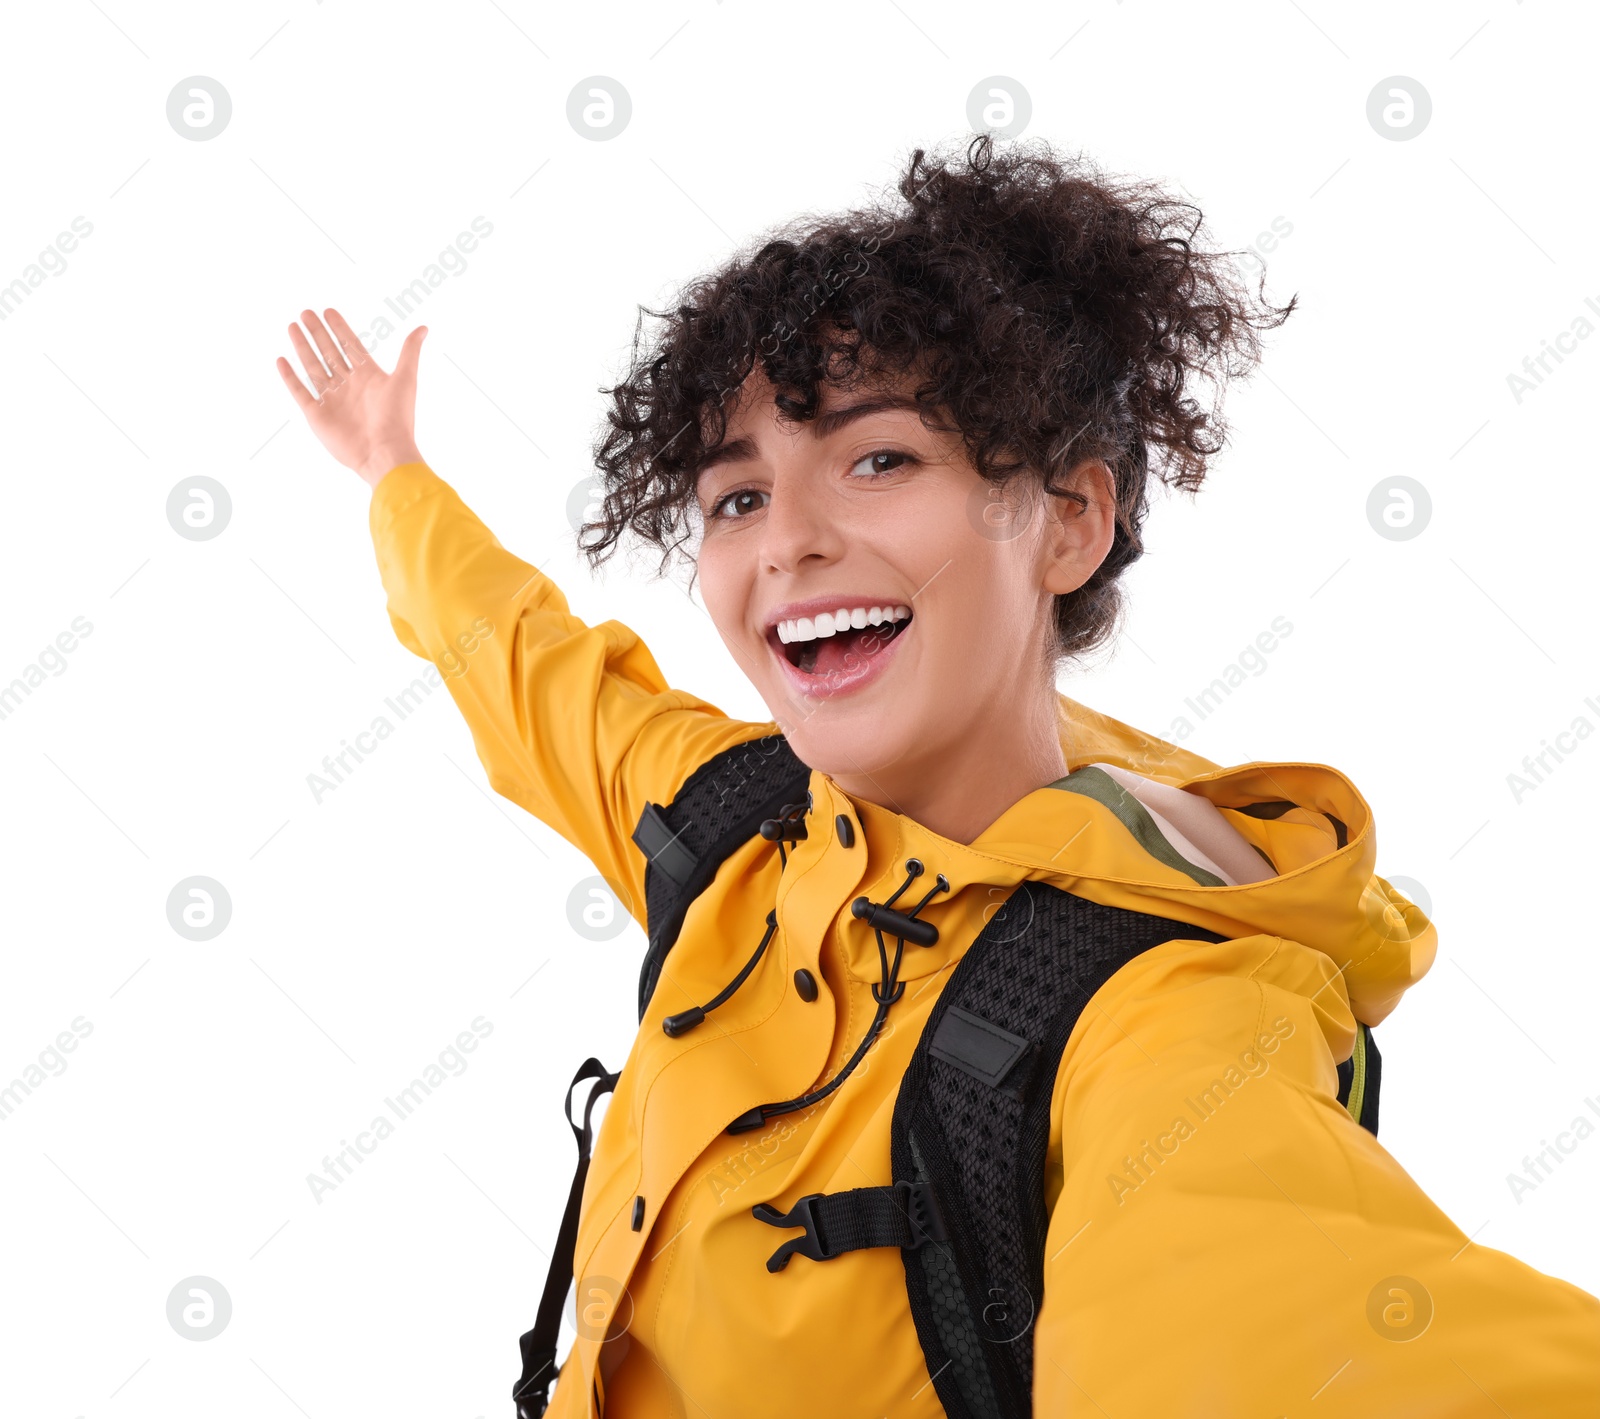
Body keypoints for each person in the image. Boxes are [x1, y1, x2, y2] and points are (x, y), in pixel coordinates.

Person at [276, 134, 1600, 1417]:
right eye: (737, 497)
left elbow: (1297, 1339)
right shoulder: (734, 819)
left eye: (879, 460)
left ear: (1068, 520)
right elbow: (515, 659)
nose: (788, 540)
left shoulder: (1165, 1016)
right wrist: (392, 474)